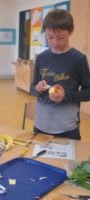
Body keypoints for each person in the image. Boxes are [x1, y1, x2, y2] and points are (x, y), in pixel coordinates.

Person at [30, 9, 90, 140]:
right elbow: (32, 88)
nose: (55, 43)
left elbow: (88, 92)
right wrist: (37, 88)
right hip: (41, 125)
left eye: (61, 37)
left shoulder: (78, 59)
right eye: (50, 37)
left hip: (67, 127)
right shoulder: (41, 58)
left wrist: (65, 95)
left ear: (70, 32)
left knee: (67, 160)